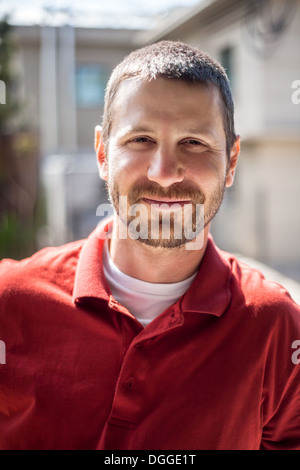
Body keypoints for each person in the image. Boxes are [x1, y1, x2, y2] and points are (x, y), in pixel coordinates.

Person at [0, 40, 299, 451]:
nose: (163, 174)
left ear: (231, 161)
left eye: (193, 142)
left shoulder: (277, 326)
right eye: (140, 139)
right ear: (103, 151)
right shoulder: (8, 303)